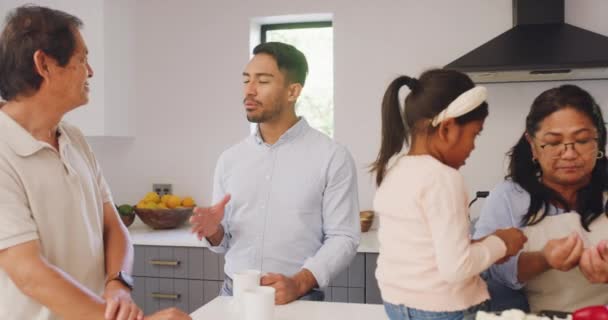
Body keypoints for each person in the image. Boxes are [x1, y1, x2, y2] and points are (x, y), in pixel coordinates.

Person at [0, 6, 190, 320]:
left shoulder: (74, 139)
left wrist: (118, 283)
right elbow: (28, 272)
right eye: (81, 59)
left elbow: (113, 226)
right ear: (44, 64)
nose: (90, 72)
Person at [189, 42, 360, 305]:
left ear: (293, 91)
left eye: (263, 81)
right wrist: (214, 231)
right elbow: (224, 242)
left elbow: (344, 237)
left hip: (297, 298)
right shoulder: (230, 159)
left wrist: (299, 282)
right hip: (233, 296)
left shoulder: (332, 156)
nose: (249, 90)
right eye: (246, 80)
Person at [370, 69, 527, 320]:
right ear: (447, 129)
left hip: (397, 305)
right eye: (474, 134)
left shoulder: (395, 170)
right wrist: (502, 243)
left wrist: (484, 245)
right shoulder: (443, 178)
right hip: (443, 310)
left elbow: (425, 253)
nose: (474, 146)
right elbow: (456, 269)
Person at [474, 84, 608, 313]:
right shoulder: (509, 196)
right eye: (554, 142)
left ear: (599, 141)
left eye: (583, 140)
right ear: (533, 145)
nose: (569, 153)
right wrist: (544, 259)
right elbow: (486, 268)